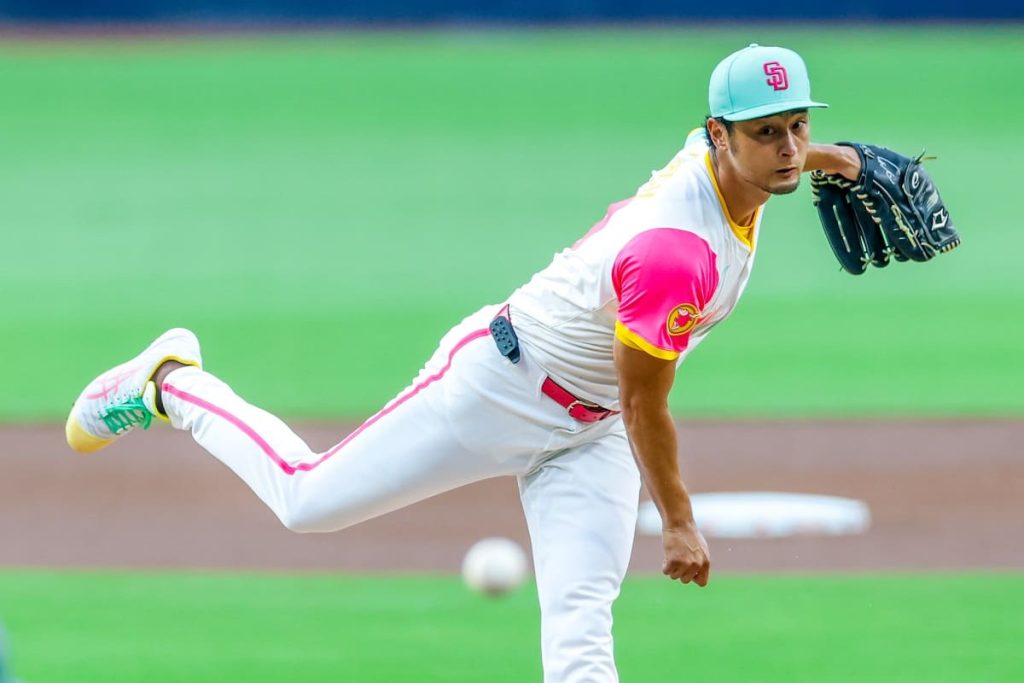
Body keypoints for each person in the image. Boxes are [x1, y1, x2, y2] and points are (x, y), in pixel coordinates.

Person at [66, 44, 861, 682]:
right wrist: (680, 522)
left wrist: (839, 159)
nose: (788, 146)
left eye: (797, 125)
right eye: (767, 132)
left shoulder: (724, 164)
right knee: (308, 500)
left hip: (593, 432)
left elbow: (626, 401)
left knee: (582, 645)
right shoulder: (673, 253)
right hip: (499, 389)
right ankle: (172, 383)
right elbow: (647, 401)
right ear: (720, 136)